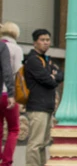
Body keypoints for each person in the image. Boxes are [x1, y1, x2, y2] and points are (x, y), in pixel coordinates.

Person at [23, 29, 62, 166]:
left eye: (48, 40)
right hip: (37, 106)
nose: (46, 43)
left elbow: (60, 75)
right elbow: (49, 81)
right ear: (35, 43)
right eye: (42, 40)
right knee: (36, 143)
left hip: (47, 106)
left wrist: (54, 76)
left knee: (43, 143)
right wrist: (52, 76)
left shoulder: (47, 60)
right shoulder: (33, 60)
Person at [0, 23, 20, 166]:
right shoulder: (15, 48)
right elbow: (16, 72)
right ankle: (6, 162)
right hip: (8, 92)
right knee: (14, 129)